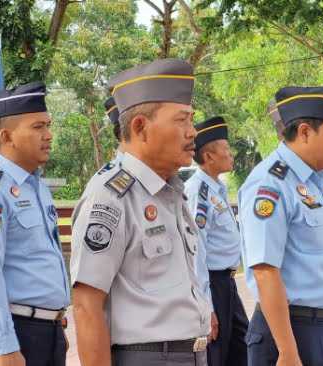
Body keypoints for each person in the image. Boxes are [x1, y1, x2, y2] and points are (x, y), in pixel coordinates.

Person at [70, 59, 212, 366]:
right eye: (181, 120)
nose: (192, 132)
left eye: (192, 120)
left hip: (192, 355)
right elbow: (86, 304)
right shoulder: (110, 196)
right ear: (140, 127)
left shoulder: (170, 191)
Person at [239, 86, 323, 366]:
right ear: (304, 132)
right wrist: (287, 351)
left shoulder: (314, 183)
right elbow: (265, 271)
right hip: (290, 332)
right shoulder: (270, 183)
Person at [0, 81, 70, 366]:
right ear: (7, 136)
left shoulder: (36, 186)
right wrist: (4, 346)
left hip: (49, 332)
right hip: (19, 333)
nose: (49, 135)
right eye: (38, 127)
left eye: (48, 125)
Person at [184, 116, 248, 365]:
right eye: (226, 149)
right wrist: (206, 305)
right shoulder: (197, 193)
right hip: (212, 284)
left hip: (227, 284)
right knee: (217, 354)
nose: (231, 154)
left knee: (241, 349)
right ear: (209, 156)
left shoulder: (217, 189)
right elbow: (196, 251)